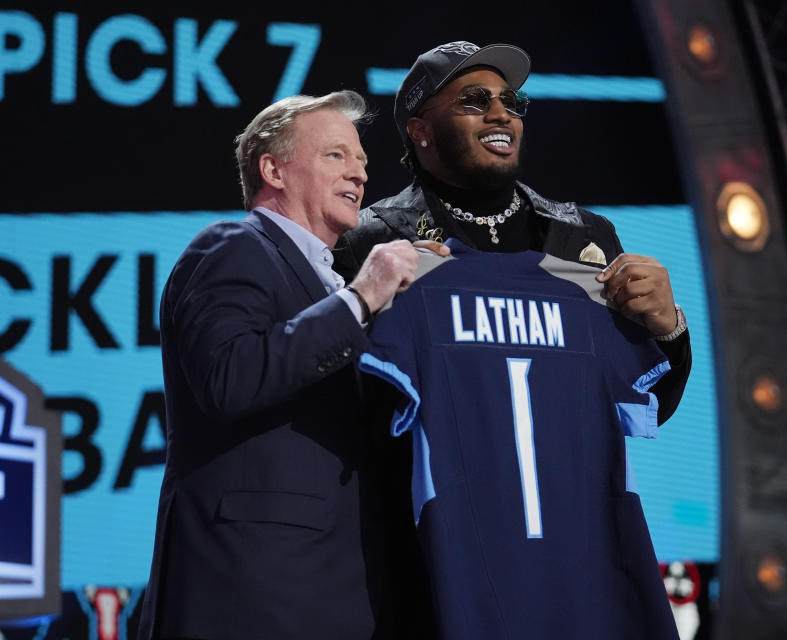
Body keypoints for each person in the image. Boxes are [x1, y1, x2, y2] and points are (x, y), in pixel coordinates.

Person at [138, 91, 439, 640]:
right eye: (336, 156)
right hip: (253, 592)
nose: (360, 174)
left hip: (344, 590)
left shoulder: (333, 284)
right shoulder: (233, 245)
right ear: (273, 169)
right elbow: (229, 378)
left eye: (363, 161)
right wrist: (362, 296)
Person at [334, 40, 691, 421]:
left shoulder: (584, 236)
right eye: (474, 100)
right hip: (439, 479)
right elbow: (346, 411)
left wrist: (669, 330)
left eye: (511, 101)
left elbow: (642, 405)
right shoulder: (370, 241)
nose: (501, 114)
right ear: (421, 131)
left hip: (571, 478)